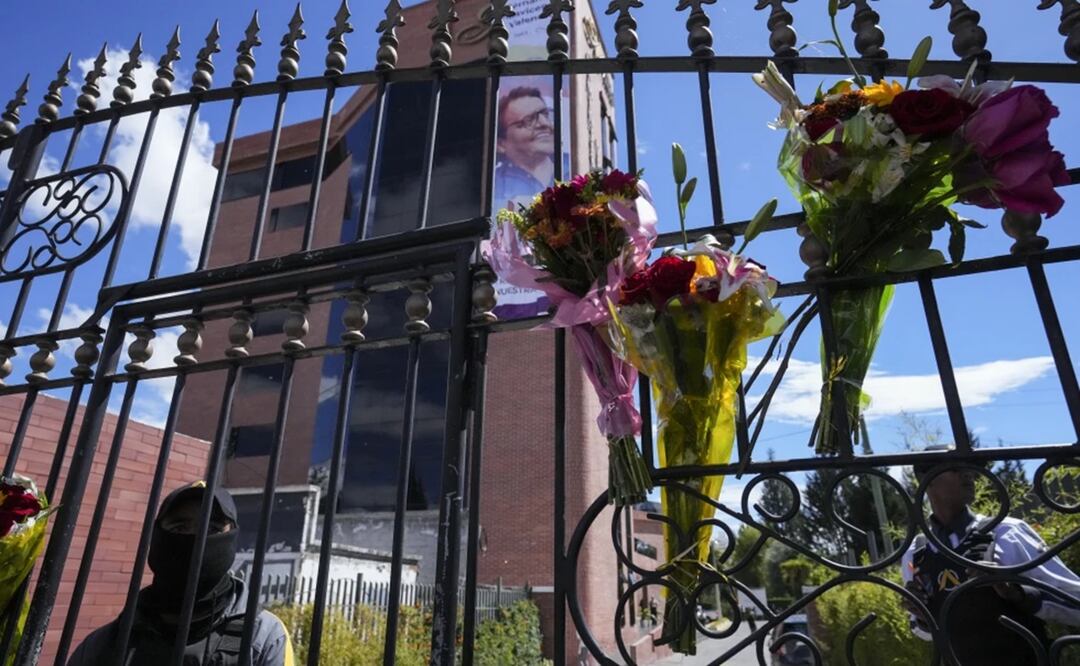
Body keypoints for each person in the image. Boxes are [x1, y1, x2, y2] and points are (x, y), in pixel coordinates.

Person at [68, 483, 295, 666]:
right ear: (157, 538)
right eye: (179, 528)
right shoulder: (106, 643)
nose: (194, 540)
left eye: (212, 529)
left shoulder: (262, 638)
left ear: (232, 539)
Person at [901, 451, 1080, 664]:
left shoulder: (1006, 533)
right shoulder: (916, 552)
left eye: (970, 467)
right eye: (956, 468)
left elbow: (1074, 602)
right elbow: (924, 633)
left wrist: (1017, 592)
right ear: (925, 480)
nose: (968, 474)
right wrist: (921, 615)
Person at [494, 86, 557, 208]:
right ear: (501, 144)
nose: (544, 124)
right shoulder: (495, 186)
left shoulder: (573, 171)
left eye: (545, 115)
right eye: (528, 120)